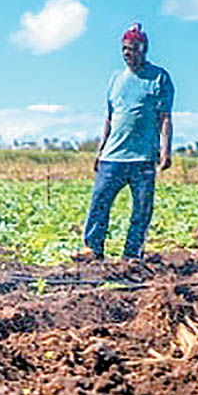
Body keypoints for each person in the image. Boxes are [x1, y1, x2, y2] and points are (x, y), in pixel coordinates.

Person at [79, 22, 174, 261]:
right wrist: (99, 151)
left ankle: (132, 254)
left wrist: (166, 150)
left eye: (132, 48)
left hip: (143, 157)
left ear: (143, 49)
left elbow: (165, 118)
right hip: (113, 156)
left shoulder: (159, 78)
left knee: (141, 209)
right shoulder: (115, 79)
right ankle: (93, 248)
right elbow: (110, 119)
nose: (127, 54)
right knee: (100, 201)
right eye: (124, 49)